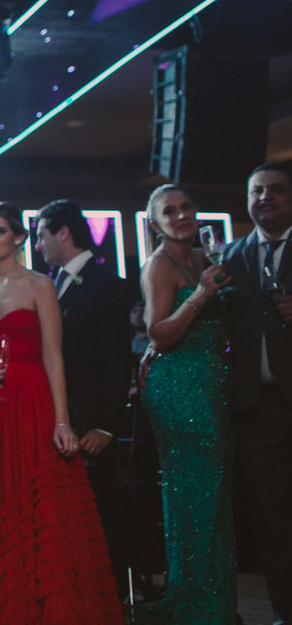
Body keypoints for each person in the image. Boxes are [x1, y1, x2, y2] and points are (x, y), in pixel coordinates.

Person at [0, 202, 121, 625]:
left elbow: (53, 356)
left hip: (32, 401)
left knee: (39, 507)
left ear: (18, 237)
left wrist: (62, 421)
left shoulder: (40, 286)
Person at [135, 184, 236, 623]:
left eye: (187, 207)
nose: (181, 216)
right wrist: (200, 296)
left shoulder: (204, 258)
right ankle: (197, 606)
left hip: (211, 386)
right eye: (169, 211)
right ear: (155, 224)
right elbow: (158, 334)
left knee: (213, 496)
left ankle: (214, 602)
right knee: (196, 497)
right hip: (181, 388)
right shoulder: (159, 264)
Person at [34, 198, 133, 595]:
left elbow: (117, 360)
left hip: (91, 421)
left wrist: (106, 426)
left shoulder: (104, 284)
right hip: (60, 417)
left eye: (41, 235)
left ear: (63, 232)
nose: (38, 245)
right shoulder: (52, 282)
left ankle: (110, 597)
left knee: (101, 512)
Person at [223, 162, 292, 623]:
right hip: (256, 409)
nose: (265, 197)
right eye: (256, 191)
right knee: (273, 524)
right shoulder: (230, 257)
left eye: (276, 189)